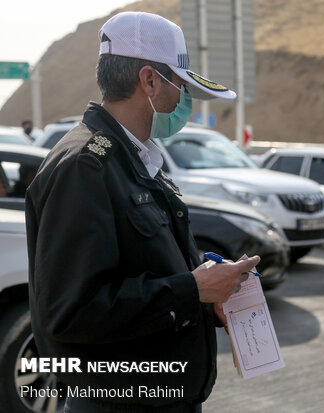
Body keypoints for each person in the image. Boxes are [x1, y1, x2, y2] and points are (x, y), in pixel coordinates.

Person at [25, 12, 260, 413]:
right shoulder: (85, 167)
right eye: (179, 86)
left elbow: (141, 268)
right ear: (149, 81)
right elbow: (71, 312)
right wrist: (192, 289)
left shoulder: (132, 157)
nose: (182, 101)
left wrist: (207, 294)